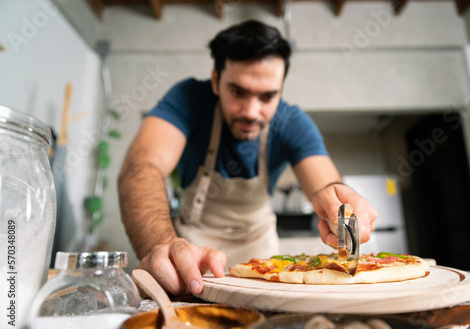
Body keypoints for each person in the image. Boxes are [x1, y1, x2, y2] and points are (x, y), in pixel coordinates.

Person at [118, 20, 377, 296]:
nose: (252, 112)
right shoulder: (189, 99)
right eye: (238, 92)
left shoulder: (292, 122)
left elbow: (328, 188)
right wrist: (164, 245)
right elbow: (141, 168)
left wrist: (343, 208)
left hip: (260, 259)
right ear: (216, 80)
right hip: (189, 255)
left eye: (267, 96)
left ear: (280, 89)